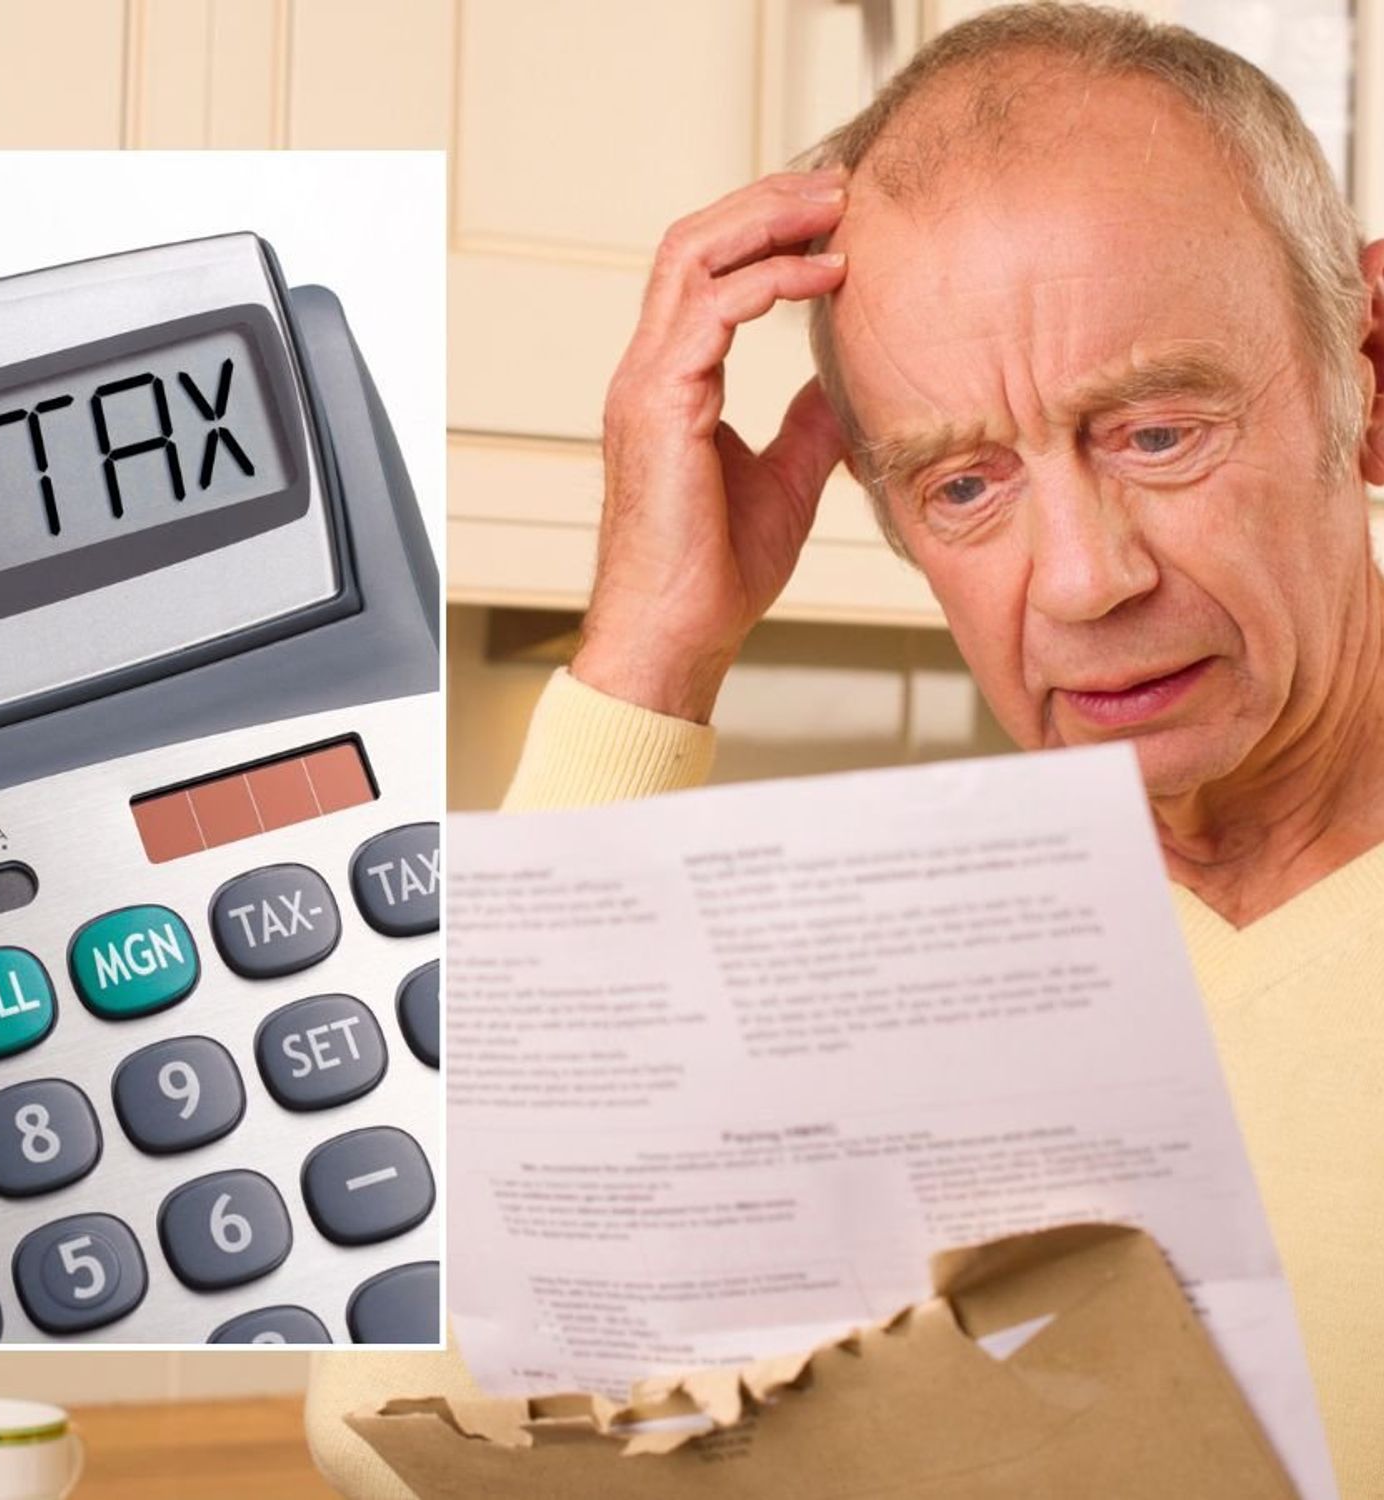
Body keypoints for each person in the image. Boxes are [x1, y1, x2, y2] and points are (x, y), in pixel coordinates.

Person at [307, 4, 1384, 1496]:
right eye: (965, 485)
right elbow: (395, 1424)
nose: (1085, 579)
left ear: (1367, 373)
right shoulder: (875, 988)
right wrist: (645, 650)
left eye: (1155, 432)